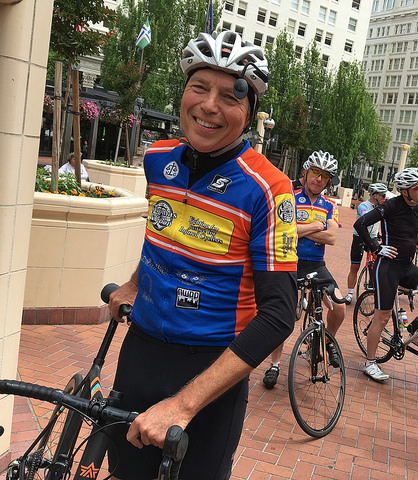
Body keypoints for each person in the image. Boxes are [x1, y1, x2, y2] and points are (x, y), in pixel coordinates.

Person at [106, 30, 298, 479]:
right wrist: (135, 283)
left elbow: (279, 314)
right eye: (199, 87)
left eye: (230, 95)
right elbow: (161, 232)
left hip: (211, 371)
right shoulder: (158, 159)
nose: (210, 105)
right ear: (183, 94)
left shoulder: (269, 188)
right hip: (140, 352)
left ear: (249, 113)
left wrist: (182, 404)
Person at [262, 150, 346, 389]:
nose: (319, 179)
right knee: (284, 315)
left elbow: (331, 237)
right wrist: (316, 225)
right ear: (306, 172)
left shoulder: (329, 205)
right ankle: (274, 364)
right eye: (316, 173)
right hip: (290, 260)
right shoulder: (290, 196)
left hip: (316, 264)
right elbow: (285, 229)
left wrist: (303, 228)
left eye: (325, 176)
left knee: (339, 307)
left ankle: (327, 340)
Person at [354, 167, 418, 382]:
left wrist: (417, 246)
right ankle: (370, 363)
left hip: (407, 266)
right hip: (387, 268)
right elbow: (361, 224)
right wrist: (376, 247)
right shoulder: (390, 206)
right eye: (417, 187)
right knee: (382, 317)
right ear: (405, 191)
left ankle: (417, 331)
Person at [344, 183, 388, 304]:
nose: (384, 198)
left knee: (378, 264)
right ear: (374, 195)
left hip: (372, 238)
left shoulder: (381, 207)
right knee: (355, 267)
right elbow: (365, 217)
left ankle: (374, 288)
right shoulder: (363, 205)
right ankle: (350, 294)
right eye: (382, 195)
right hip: (359, 237)